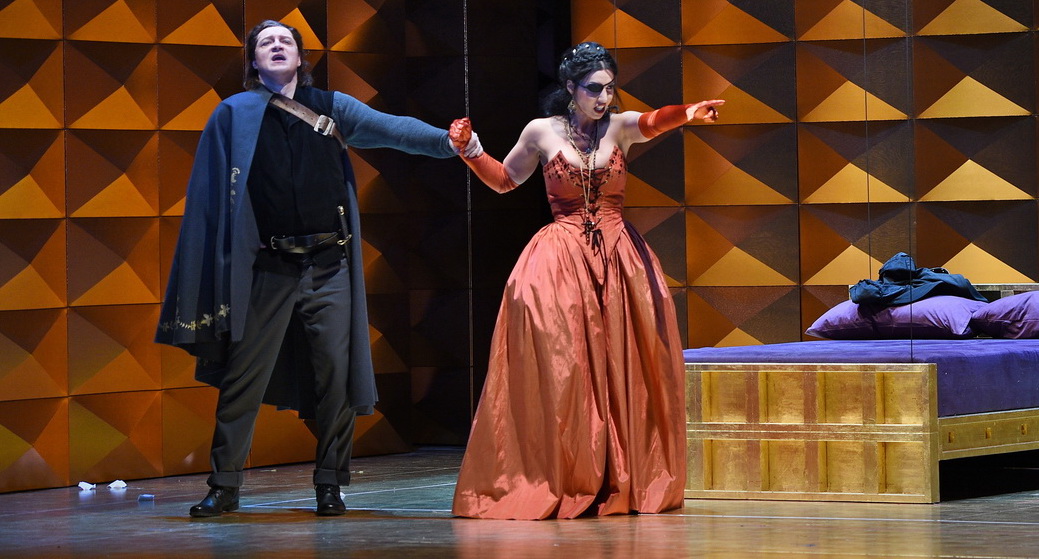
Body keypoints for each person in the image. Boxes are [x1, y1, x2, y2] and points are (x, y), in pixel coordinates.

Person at [156, 20, 475, 518]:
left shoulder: (331, 106)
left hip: (328, 266)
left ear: (300, 57)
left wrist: (447, 142)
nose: (276, 46)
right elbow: (209, 198)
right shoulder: (233, 114)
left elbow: (392, 129)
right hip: (267, 268)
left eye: (285, 40)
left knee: (335, 377)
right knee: (243, 378)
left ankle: (330, 484)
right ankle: (225, 485)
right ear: (254, 61)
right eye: (266, 42)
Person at [447, 41, 723, 520]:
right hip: (560, 262)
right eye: (594, 89)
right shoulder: (541, 131)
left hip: (618, 260)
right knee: (566, 368)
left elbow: (653, 121)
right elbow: (505, 180)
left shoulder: (618, 127)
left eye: (610, 89)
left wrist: (688, 113)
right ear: (570, 88)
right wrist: (470, 150)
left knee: (626, 364)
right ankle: (569, 472)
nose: (604, 98)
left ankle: (622, 475)